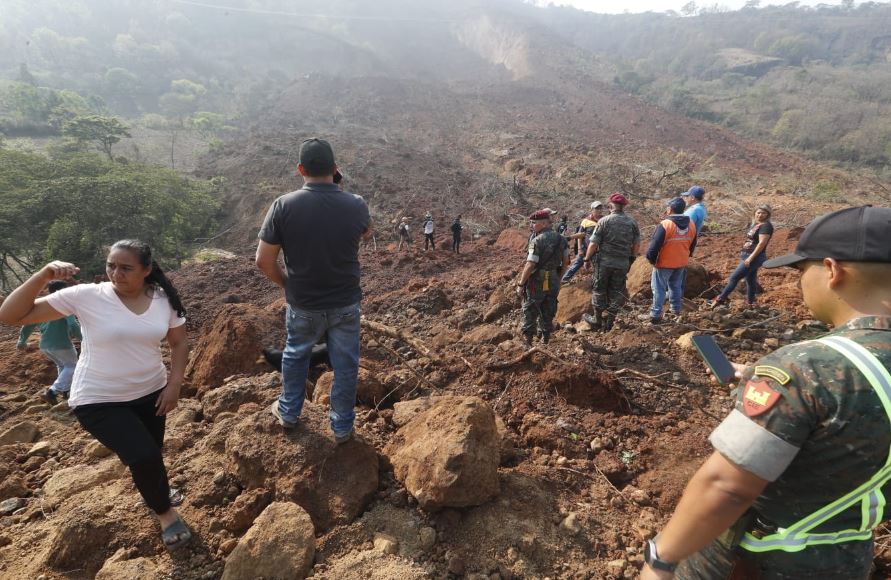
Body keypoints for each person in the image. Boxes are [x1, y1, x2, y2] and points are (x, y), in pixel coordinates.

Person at [640, 205, 891, 580]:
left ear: (833, 271)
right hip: (847, 560)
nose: (799, 282)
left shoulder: (804, 368)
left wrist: (661, 559)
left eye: (803, 271)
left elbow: (727, 486)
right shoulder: (813, 371)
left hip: (759, 562)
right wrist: (764, 380)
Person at [0, 240, 192, 551]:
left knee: (150, 454)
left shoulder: (162, 298)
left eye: (126, 268)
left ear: (146, 270)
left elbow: (179, 343)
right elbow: (11, 315)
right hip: (99, 398)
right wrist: (43, 276)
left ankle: (155, 492)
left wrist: (174, 384)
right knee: (144, 455)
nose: (116, 273)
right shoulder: (87, 296)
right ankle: (165, 514)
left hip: (151, 392)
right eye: (111, 266)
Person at [256, 138, 371, 444]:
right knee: (346, 363)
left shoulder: (283, 205)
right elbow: (366, 231)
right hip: (345, 302)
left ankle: (290, 413)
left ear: (300, 169)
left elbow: (263, 261)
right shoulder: (356, 204)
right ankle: (343, 427)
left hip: (304, 302)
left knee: (295, 354)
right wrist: (340, 190)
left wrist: (287, 284)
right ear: (335, 169)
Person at [581, 193, 641, 331]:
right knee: (617, 291)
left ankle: (597, 319)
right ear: (623, 206)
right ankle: (610, 320)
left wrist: (586, 259)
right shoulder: (632, 222)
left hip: (604, 263)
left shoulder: (604, 221)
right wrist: (631, 258)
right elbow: (637, 244)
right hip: (622, 263)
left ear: (610, 206)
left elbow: (593, 244)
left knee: (599, 289)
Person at [17, 280, 82, 405]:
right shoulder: (64, 305)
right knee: (72, 365)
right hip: (61, 343)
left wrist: (22, 341)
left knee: (63, 366)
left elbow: (28, 325)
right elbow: (73, 324)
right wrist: (83, 339)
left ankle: (66, 391)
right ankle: (52, 392)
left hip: (45, 345)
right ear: (62, 291)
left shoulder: (43, 306)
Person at [514, 209, 570, 346]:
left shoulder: (536, 241)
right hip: (553, 279)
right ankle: (546, 338)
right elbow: (566, 262)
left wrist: (521, 284)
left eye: (534, 223)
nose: (531, 225)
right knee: (549, 307)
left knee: (531, 309)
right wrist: (559, 278)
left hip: (537, 280)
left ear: (544, 224)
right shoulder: (562, 239)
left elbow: (530, 264)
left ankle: (528, 342)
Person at [641, 197, 697, 325]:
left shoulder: (665, 225)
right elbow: (693, 243)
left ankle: (655, 315)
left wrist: (652, 260)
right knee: (676, 286)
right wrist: (687, 256)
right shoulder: (691, 224)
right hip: (681, 262)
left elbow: (653, 247)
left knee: (659, 288)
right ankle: (676, 309)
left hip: (664, 263)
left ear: (670, 209)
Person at [713, 204, 773, 307]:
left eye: (763, 213)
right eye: (758, 212)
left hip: (755, 257)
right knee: (750, 280)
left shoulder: (766, 226)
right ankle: (750, 302)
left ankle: (721, 299)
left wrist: (750, 258)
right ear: (754, 213)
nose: (760, 215)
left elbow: (762, 243)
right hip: (748, 255)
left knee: (734, 278)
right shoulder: (757, 224)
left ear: (768, 215)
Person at [562, 201, 605, 284]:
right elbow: (580, 235)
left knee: (599, 267)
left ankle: (597, 282)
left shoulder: (604, 220)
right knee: (577, 264)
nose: (599, 210)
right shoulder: (586, 221)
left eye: (600, 208)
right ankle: (564, 280)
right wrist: (579, 249)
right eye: (597, 208)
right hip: (586, 249)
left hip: (599, 250)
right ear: (592, 209)